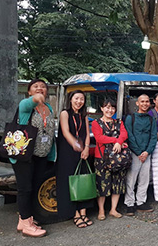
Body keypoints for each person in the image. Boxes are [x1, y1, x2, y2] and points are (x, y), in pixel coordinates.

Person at [11, 79, 54, 237]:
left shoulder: (48, 107)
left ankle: (25, 220)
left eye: (43, 87)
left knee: (33, 188)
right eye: (36, 87)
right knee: (25, 189)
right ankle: (26, 223)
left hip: (41, 156)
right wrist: (36, 98)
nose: (40, 89)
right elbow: (33, 101)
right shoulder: (25, 105)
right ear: (29, 91)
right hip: (24, 155)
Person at [56, 90, 93, 228]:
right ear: (71, 99)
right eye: (76, 98)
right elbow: (65, 132)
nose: (79, 101)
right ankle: (75, 214)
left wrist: (86, 148)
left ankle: (83, 212)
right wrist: (77, 145)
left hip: (83, 151)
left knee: (83, 180)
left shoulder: (84, 115)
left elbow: (87, 133)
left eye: (82, 99)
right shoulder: (65, 113)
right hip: (68, 152)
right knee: (71, 181)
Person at [92, 99, 128, 221]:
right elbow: (99, 138)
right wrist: (116, 141)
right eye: (107, 107)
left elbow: (124, 134)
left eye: (112, 108)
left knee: (117, 183)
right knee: (102, 183)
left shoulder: (119, 122)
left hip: (118, 158)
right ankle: (101, 210)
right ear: (101, 108)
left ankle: (113, 209)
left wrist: (119, 141)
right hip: (102, 157)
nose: (110, 110)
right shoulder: (96, 123)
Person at [124, 94, 157, 215]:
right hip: (134, 153)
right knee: (131, 179)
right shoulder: (130, 118)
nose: (144, 104)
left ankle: (141, 202)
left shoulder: (151, 119)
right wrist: (139, 152)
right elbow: (129, 136)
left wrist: (147, 151)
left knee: (144, 179)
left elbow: (153, 136)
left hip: (147, 153)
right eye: (142, 101)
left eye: (147, 101)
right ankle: (129, 203)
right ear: (137, 103)